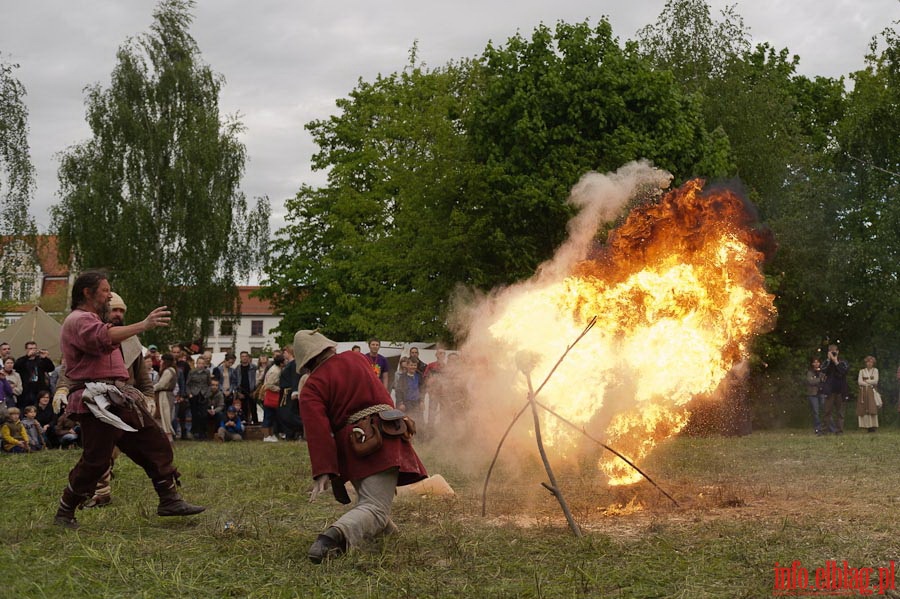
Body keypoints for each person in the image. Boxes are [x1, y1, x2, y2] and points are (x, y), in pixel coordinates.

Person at [53, 270, 204, 529]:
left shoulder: (98, 322)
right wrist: (144, 324)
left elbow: (115, 344)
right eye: (104, 290)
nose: (109, 294)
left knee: (154, 442)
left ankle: (169, 499)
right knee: (97, 459)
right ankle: (65, 511)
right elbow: (102, 338)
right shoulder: (78, 320)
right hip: (96, 401)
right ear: (87, 293)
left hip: (119, 397)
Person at [295, 329, 427, 563]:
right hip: (382, 437)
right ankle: (331, 538)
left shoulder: (312, 386)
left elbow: (318, 431)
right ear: (328, 348)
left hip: (353, 446)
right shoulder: (357, 358)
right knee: (375, 508)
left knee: (373, 502)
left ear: (306, 363)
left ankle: (390, 539)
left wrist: (323, 469)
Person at [14, 340, 54, 410]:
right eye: (30, 348)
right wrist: (27, 356)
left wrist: (45, 358)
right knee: (26, 408)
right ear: (26, 350)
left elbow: (51, 368)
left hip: (39, 388)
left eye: (34, 348)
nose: (33, 350)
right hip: (26, 389)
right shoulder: (22, 360)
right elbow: (16, 367)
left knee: (37, 408)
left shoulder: (40, 360)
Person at [821, 344, 849, 434]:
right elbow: (823, 370)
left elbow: (844, 371)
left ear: (838, 351)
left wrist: (836, 361)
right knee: (827, 412)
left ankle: (839, 431)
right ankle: (825, 430)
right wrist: (829, 360)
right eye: (831, 351)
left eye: (834, 351)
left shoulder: (843, 362)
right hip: (829, 391)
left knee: (840, 413)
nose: (833, 352)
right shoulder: (827, 362)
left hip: (840, 391)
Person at [394, 357, 425, 431]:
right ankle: (408, 438)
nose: (413, 367)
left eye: (414, 365)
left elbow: (422, 390)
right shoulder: (402, 377)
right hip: (406, 403)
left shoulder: (419, 376)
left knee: (419, 421)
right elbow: (398, 391)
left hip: (417, 402)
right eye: (411, 365)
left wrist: (422, 401)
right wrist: (400, 403)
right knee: (407, 421)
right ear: (407, 366)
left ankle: (419, 437)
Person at [153, 353, 178, 443]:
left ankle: (168, 438)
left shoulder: (168, 371)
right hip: (163, 395)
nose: (160, 362)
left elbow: (161, 384)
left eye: (162, 360)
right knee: (163, 416)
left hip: (165, 396)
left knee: (165, 416)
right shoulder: (170, 370)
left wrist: (151, 389)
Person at [185, 356, 212, 440]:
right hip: (194, 394)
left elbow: (209, 384)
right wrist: (189, 393)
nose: (201, 365)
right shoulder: (192, 372)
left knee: (203, 415)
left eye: (203, 363)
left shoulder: (207, 372)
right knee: (195, 414)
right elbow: (188, 384)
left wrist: (207, 393)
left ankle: (203, 433)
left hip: (203, 394)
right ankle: (195, 432)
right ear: (197, 364)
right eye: (199, 363)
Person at [261, 354, 284, 442]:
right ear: (281, 363)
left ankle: (270, 434)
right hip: (270, 395)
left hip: (268, 394)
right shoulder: (276, 371)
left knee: (270, 416)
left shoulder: (274, 368)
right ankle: (266, 436)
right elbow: (270, 384)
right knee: (268, 416)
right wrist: (279, 389)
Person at [857, 355, 880, 432]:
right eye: (868, 362)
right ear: (866, 363)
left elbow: (876, 381)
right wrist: (869, 382)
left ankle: (873, 426)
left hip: (872, 391)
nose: (869, 363)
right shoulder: (862, 371)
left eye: (871, 362)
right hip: (863, 392)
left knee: (872, 408)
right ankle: (867, 426)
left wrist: (866, 381)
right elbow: (859, 382)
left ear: (873, 363)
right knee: (864, 408)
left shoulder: (875, 370)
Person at [804, 358, 826, 435]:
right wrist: (819, 379)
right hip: (813, 394)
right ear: (812, 364)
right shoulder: (810, 372)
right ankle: (818, 428)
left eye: (817, 362)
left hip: (822, 392)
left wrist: (816, 380)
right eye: (814, 362)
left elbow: (825, 379)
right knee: (816, 412)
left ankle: (828, 427)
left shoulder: (823, 371)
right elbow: (810, 381)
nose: (816, 364)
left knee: (825, 410)